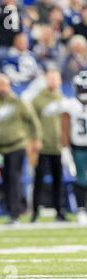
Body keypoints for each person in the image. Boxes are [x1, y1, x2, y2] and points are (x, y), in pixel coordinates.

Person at [0, 74, 43, 224]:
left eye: (4, 84)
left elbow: (33, 120)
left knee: (14, 177)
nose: (2, 87)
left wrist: (36, 139)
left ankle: (15, 212)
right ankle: (12, 210)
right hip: (0, 148)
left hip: (17, 145)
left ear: (9, 85)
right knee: (5, 179)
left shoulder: (19, 102)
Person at [31, 69, 68, 222]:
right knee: (38, 180)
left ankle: (60, 211)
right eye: (50, 78)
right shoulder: (38, 99)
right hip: (43, 146)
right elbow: (32, 123)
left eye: (55, 78)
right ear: (46, 80)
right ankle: (35, 212)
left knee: (59, 180)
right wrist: (35, 140)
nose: (53, 81)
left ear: (59, 81)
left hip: (58, 146)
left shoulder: (63, 99)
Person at [61, 70, 87, 223]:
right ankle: (81, 209)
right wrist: (65, 149)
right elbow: (64, 129)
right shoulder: (70, 105)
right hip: (78, 147)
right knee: (81, 179)